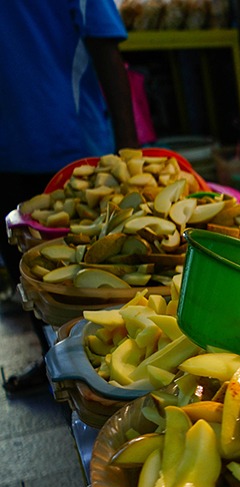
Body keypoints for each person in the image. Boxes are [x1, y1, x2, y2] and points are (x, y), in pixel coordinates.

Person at [0, 0, 138, 393]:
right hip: (6, 152)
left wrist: (130, 149)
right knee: (29, 276)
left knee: (94, 276)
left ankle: (111, 370)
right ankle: (53, 361)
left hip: (72, 152)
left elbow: (106, 48)